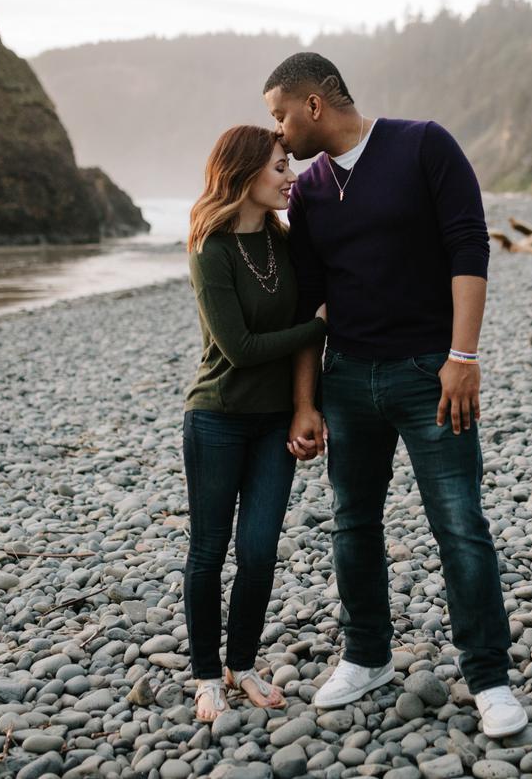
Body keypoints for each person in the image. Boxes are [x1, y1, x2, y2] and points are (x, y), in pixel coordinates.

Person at [264, 53, 527, 738]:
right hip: (348, 376)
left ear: (315, 105)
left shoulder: (422, 144)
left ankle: (489, 676)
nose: (278, 133)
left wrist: (462, 357)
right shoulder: (311, 193)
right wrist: (306, 399)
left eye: (281, 114)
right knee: (352, 522)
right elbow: (309, 303)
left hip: (428, 373)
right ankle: (367, 656)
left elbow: (470, 247)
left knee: (460, 523)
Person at [182, 125, 327, 722]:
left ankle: (241, 664)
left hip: (273, 425)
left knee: (261, 552)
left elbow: (294, 344)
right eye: (279, 167)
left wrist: (304, 404)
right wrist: (321, 323)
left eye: (288, 165)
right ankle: (205, 676)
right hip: (216, 417)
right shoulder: (209, 247)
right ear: (242, 173)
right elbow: (238, 347)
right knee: (209, 551)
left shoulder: (284, 243)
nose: (291, 176)